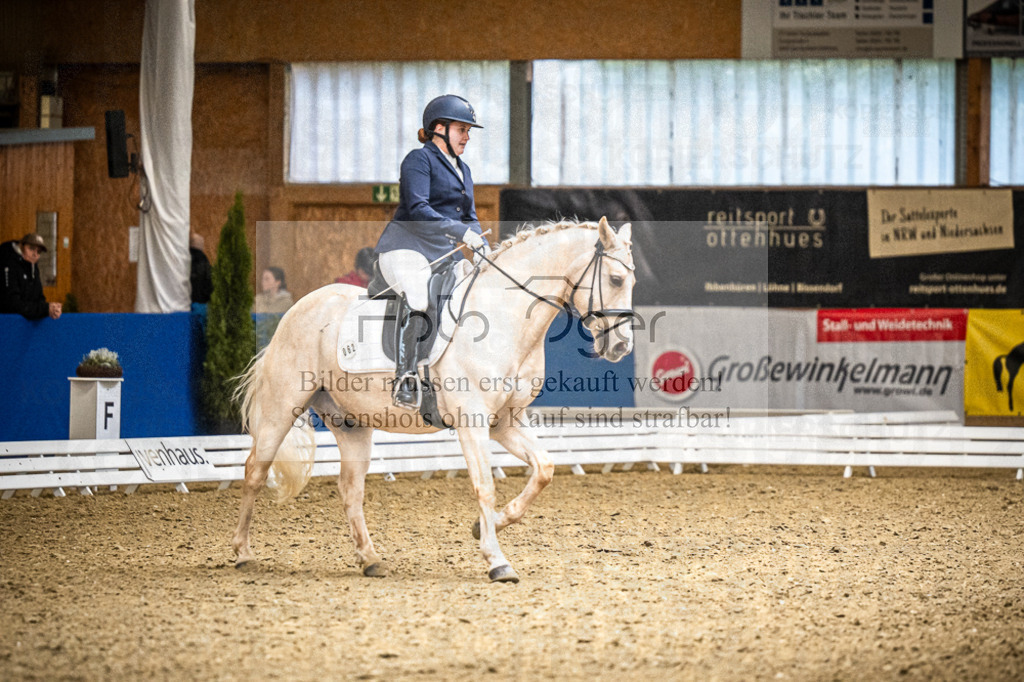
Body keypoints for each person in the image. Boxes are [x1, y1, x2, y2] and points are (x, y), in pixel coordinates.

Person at [374, 94, 489, 409]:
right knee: (419, 297)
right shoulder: (419, 159)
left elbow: (470, 217)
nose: (467, 137)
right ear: (439, 128)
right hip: (405, 246)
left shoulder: (463, 169)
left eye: (468, 131)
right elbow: (418, 207)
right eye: (461, 129)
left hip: (442, 251)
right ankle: (405, 378)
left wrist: (482, 248)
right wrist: (461, 233)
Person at [0, 233, 61, 320]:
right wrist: (45, 309)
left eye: (39, 252)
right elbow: (13, 304)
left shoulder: (34, 268)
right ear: (21, 246)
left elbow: (39, 298)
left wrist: (52, 308)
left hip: (25, 325)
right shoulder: (9, 266)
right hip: (7, 323)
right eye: (31, 249)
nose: (35, 254)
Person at [189, 233, 213, 306]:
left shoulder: (182, 259)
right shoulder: (204, 263)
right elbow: (210, 286)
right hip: (201, 305)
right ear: (201, 246)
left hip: (181, 305)